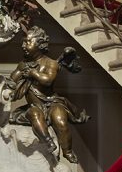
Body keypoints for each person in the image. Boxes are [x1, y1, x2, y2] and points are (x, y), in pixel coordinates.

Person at [8, 26, 88, 162]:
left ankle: (67, 150)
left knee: (60, 121)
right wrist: (9, 83)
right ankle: (48, 141)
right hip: (34, 105)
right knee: (34, 115)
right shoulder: (23, 64)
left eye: (28, 42)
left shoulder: (51, 63)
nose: (23, 45)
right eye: (24, 42)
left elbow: (48, 80)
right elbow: (11, 81)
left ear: (39, 45)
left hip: (52, 102)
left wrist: (33, 73)